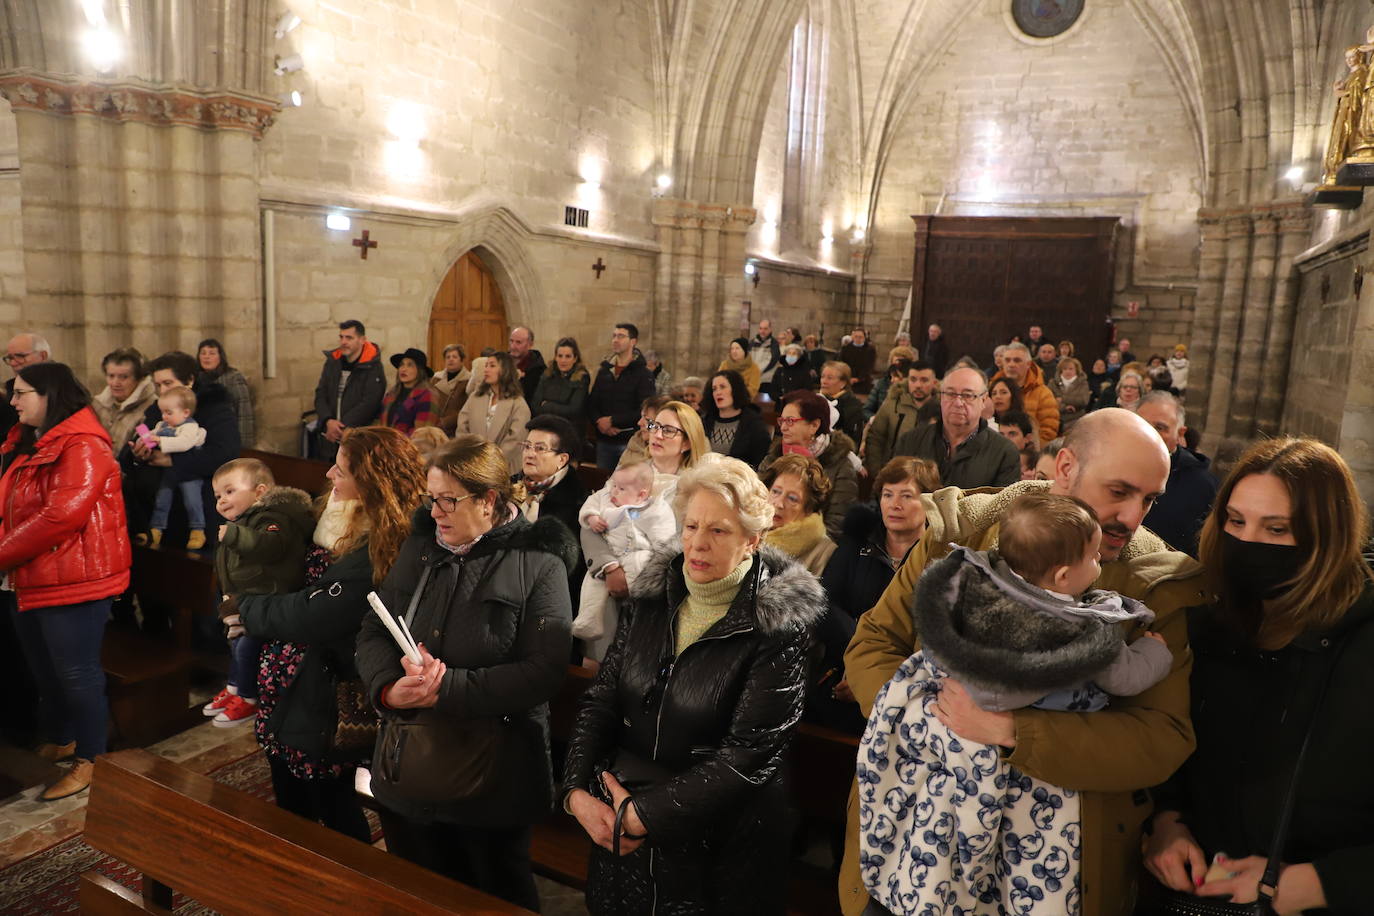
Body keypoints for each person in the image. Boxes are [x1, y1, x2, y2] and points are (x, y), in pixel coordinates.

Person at [839, 408, 1208, 916]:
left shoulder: (1153, 585)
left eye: (1149, 500)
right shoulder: (962, 533)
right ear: (1065, 466)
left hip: (1050, 865)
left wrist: (1012, 731)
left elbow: (1161, 737)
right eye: (1118, 491)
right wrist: (930, 721)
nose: (1132, 516)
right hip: (921, 833)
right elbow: (875, 641)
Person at [560, 455, 826, 915]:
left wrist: (645, 814)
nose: (697, 544)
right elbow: (601, 701)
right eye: (691, 526)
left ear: (752, 540)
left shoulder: (779, 627)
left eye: (718, 531)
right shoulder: (653, 597)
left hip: (716, 849)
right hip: (620, 824)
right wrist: (576, 791)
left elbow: (748, 756)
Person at [1142, 438, 1374, 915]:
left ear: (1326, 535)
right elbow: (1173, 748)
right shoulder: (1210, 623)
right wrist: (1167, 823)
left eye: (1277, 528)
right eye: (1236, 521)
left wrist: (1307, 885)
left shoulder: (1363, 644)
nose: (1248, 542)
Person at [356, 435, 576, 909]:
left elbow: (544, 671)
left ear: (489, 500)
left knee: (493, 898)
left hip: (494, 781)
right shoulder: (421, 549)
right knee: (414, 893)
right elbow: (374, 630)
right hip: (410, 766)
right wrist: (389, 690)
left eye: (448, 500)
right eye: (431, 499)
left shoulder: (539, 563)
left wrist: (445, 690)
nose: (435, 512)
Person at [228, 426, 424, 841]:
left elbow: (315, 613)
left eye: (342, 470)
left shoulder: (382, 544)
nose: (330, 476)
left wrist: (245, 608)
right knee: (292, 788)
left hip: (326, 680)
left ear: (369, 482)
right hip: (292, 672)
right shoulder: (333, 515)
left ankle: (343, 885)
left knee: (328, 798)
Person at [1, 362, 130, 801]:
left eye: (21, 392)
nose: (13, 400)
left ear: (49, 395)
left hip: (76, 577)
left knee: (77, 673)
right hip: (34, 573)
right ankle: (64, 736)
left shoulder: (84, 443)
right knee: (45, 669)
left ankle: (91, 759)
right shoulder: (32, 441)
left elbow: (60, 515)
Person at [204, 458, 314, 727]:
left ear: (260, 491)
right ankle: (233, 689)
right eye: (218, 495)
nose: (221, 500)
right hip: (247, 598)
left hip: (270, 599)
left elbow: (270, 547)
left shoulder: (273, 517)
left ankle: (248, 698)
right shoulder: (245, 520)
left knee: (245, 647)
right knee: (235, 643)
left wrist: (234, 536)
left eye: (230, 491)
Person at [582, 400, 706, 616]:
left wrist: (641, 582)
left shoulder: (695, 488)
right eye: (655, 426)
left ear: (686, 442)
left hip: (656, 593)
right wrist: (608, 566)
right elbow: (593, 518)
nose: (657, 435)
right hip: (607, 577)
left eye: (668, 430)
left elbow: (681, 545)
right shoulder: (630, 471)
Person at [121, 351, 241, 551]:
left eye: (168, 383)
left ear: (190, 380)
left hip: (198, 505)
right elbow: (135, 443)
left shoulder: (214, 407)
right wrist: (137, 453)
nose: (162, 390)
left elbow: (224, 454)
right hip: (155, 502)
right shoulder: (159, 408)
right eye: (157, 385)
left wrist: (173, 461)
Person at [573, 460, 676, 661]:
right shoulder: (608, 496)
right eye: (613, 486)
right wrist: (592, 518)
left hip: (638, 555)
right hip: (609, 555)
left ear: (642, 495)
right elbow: (591, 505)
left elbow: (664, 539)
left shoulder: (654, 508)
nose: (614, 492)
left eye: (620, 489)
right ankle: (588, 619)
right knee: (592, 583)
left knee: (640, 563)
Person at [894, 367, 1019, 490]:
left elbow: (1003, 507)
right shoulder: (910, 441)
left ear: (983, 400)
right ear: (941, 397)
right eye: (950, 394)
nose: (958, 403)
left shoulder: (1004, 452)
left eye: (967, 395)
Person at [759, 390, 859, 540]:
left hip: (813, 547)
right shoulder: (774, 456)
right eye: (782, 421)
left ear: (814, 425)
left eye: (790, 421)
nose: (783, 428)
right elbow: (755, 503)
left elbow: (836, 525)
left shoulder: (841, 465)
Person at [1137, 391, 1218, 555]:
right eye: (1141, 424)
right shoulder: (1110, 463)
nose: (1148, 434)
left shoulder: (1202, 484)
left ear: (1180, 434)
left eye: (1160, 428)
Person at [142, 386, 209, 549]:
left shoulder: (190, 427)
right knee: (162, 499)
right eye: (162, 412)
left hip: (189, 473)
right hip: (170, 473)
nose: (164, 416)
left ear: (185, 413)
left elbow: (183, 444)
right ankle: (156, 530)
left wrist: (159, 441)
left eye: (169, 413)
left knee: (192, 501)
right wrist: (142, 439)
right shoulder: (163, 425)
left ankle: (198, 530)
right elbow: (149, 435)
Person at [311, 320, 386, 463]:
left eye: (349, 338)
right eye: (341, 337)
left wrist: (343, 426)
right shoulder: (332, 362)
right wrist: (328, 421)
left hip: (356, 436)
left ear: (362, 340)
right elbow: (321, 393)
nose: (343, 341)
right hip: (330, 434)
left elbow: (370, 402)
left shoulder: (372, 367)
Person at [588, 323, 656, 469]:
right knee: (603, 484)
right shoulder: (605, 370)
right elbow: (592, 402)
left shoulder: (643, 374)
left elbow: (646, 410)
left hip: (629, 441)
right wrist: (599, 423)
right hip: (604, 440)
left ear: (633, 341)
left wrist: (613, 421)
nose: (615, 340)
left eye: (621, 336)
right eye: (614, 336)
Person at [760, 454, 836, 577]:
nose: (779, 503)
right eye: (775, 491)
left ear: (809, 509)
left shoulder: (824, 553)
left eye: (792, 499)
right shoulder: (748, 533)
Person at [457, 350, 531, 472]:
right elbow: (462, 426)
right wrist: (470, 453)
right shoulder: (476, 397)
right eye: (486, 366)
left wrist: (492, 461)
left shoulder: (517, 403)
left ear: (505, 370)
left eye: (492, 366)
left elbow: (516, 438)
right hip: (474, 463)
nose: (486, 369)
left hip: (505, 467)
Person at [863, 360, 925, 475]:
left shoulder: (937, 406)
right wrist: (877, 471)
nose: (893, 380)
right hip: (890, 470)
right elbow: (875, 437)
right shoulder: (892, 401)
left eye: (897, 376)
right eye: (891, 376)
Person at [91, 347, 156, 456]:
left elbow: (148, 451)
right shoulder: (96, 405)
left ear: (139, 378)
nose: (115, 383)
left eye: (124, 377)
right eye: (111, 376)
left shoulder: (152, 407)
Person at [702, 369, 772, 467]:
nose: (718, 392)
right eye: (714, 389)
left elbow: (760, 461)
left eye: (722, 387)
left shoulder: (753, 424)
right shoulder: (706, 421)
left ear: (735, 390)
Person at [992, 342, 1059, 444]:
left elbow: (1048, 433)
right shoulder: (992, 389)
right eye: (1007, 360)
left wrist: (1027, 453)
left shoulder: (1043, 394)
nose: (1011, 364)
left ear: (1028, 364)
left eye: (1017, 360)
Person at [196, 338, 255, 447]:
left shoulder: (233, 377)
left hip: (227, 433)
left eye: (212, 353)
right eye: (203, 353)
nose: (206, 357)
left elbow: (243, 409)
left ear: (220, 357)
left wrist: (244, 442)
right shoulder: (196, 379)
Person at [530, 336, 590, 431]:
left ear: (575, 359)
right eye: (560, 356)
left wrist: (547, 405)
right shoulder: (547, 374)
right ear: (555, 357)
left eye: (568, 356)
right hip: (546, 427)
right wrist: (561, 406)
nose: (563, 360)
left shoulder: (581, 377)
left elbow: (574, 410)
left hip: (569, 429)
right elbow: (535, 405)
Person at [2, 332, 52, 441]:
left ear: (43, 356)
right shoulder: (8, 392)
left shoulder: (63, 390)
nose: (13, 363)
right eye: (10, 358)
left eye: (20, 356)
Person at [379, 348, 438, 437]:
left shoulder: (427, 395)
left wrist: (395, 443)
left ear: (419, 371)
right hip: (387, 445)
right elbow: (383, 424)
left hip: (410, 447)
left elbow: (422, 433)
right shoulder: (391, 394)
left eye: (410, 365)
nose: (403, 369)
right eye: (401, 365)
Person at [862, 347, 918, 419]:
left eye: (902, 364)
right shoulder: (882, 384)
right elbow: (866, 409)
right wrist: (873, 418)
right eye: (895, 363)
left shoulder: (914, 388)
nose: (897, 367)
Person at [819, 360, 866, 445]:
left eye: (829, 378)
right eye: (822, 376)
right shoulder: (818, 400)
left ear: (843, 383)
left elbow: (851, 440)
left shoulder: (852, 407)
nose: (824, 381)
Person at [431, 344, 470, 435]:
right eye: (448, 357)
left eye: (454, 357)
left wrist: (446, 422)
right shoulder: (436, 378)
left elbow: (467, 409)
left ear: (461, 360)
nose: (451, 359)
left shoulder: (468, 380)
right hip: (434, 426)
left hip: (455, 429)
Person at [508, 326, 546, 405]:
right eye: (511, 341)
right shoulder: (502, 363)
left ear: (530, 344)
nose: (513, 346)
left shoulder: (539, 370)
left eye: (518, 342)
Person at [1051, 355, 1090, 431]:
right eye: (1065, 369)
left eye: (1071, 369)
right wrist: (1064, 408)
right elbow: (1050, 400)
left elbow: (1083, 400)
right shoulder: (1053, 383)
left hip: (1076, 418)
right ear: (1061, 370)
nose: (1068, 371)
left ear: (1076, 370)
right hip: (1056, 417)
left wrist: (1062, 399)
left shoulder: (1083, 383)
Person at [839, 327, 877, 395]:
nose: (858, 339)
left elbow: (869, 366)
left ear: (864, 338)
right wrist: (848, 377)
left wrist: (859, 378)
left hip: (863, 381)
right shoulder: (846, 348)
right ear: (852, 337)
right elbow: (842, 363)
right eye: (856, 336)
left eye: (860, 337)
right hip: (848, 380)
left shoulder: (870, 350)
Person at [750, 319, 781, 397]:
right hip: (753, 379)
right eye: (760, 328)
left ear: (770, 329)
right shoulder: (752, 342)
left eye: (765, 329)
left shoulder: (774, 344)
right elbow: (748, 359)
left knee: (765, 403)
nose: (762, 331)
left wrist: (756, 371)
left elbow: (771, 361)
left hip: (766, 381)